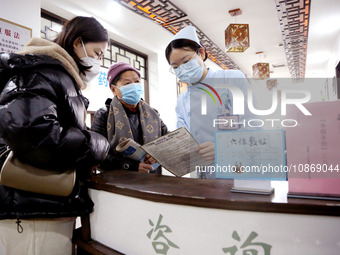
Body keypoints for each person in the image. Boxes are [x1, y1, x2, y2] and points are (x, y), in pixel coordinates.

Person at [0, 16, 110, 255]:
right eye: (97, 52)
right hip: (33, 206)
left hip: (44, 202)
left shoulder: (60, 77)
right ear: (78, 42)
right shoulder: (41, 71)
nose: (97, 61)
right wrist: (97, 143)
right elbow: (35, 135)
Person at [165, 26, 255, 178]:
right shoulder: (181, 101)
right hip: (202, 176)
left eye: (186, 61)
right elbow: (183, 137)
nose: (182, 69)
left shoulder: (232, 79)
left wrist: (223, 148)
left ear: (201, 53)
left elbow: (254, 125)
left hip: (237, 169)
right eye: (175, 67)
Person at [91, 62, 168, 174]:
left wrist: (159, 153)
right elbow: (97, 152)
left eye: (137, 81)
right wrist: (131, 166)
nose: (134, 86)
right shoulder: (104, 114)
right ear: (113, 89)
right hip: (119, 180)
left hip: (153, 179)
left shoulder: (153, 114)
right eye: (127, 83)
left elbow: (167, 141)